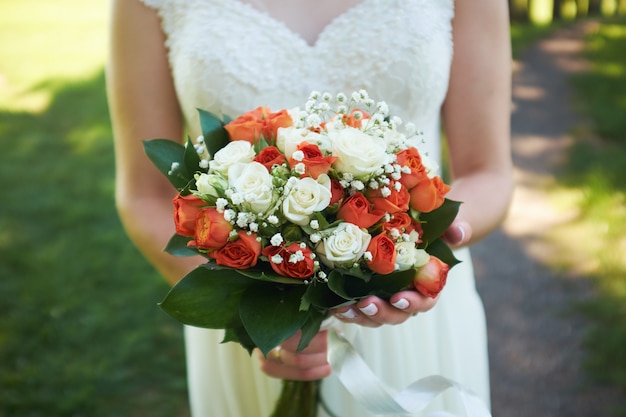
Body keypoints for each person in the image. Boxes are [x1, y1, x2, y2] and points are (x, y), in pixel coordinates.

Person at [106, 0, 513, 415]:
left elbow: (488, 172)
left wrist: (426, 249)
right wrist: (249, 310)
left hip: (411, 312)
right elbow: (144, 196)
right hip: (255, 325)